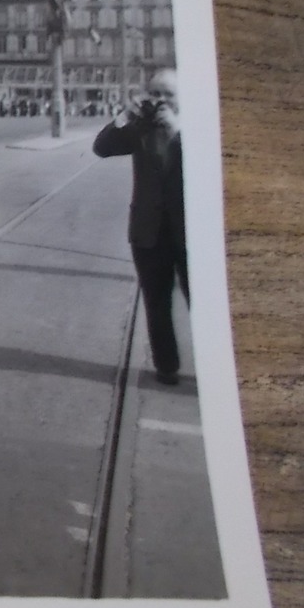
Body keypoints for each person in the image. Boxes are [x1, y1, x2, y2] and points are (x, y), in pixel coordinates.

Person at [94, 69, 188, 386]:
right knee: (156, 303)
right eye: (155, 94)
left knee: (201, 303)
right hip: (149, 230)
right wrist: (126, 115)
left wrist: (178, 132)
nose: (161, 101)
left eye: (168, 95)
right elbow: (102, 147)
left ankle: (215, 369)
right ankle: (166, 366)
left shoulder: (197, 126)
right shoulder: (141, 127)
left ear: (182, 98)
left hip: (190, 232)